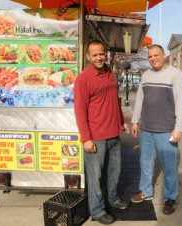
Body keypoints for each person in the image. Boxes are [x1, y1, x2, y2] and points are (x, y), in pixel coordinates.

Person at [74, 40, 130, 225]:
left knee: (114, 171)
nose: (99, 57)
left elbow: (115, 101)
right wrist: (86, 139)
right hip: (96, 138)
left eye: (101, 54)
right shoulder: (84, 79)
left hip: (114, 134)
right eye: (95, 54)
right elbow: (80, 111)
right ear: (88, 57)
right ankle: (97, 210)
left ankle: (113, 199)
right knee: (96, 177)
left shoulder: (110, 74)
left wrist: (122, 121)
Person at [130, 44, 182, 215]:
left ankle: (170, 198)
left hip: (166, 130)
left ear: (164, 56)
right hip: (146, 128)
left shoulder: (176, 75)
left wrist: (179, 129)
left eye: (156, 55)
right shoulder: (146, 75)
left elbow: (181, 103)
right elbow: (140, 99)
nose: (153, 58)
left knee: (169, 166)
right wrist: (135, 121)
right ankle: (146, 192)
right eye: (150, 56)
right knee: (145, 163)